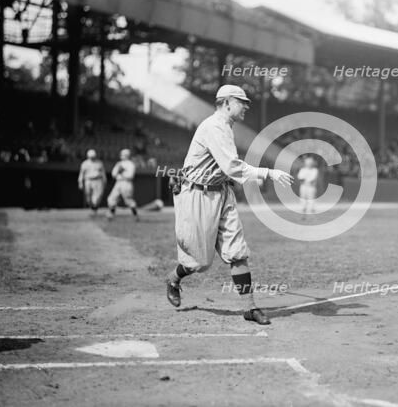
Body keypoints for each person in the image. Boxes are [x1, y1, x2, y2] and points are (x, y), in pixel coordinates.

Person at [165, 85, 293, 325]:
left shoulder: (226, 126)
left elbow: (228, 170)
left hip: (221, 193)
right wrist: (269, 173)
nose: (246, 106)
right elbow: (233, 167)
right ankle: (173, 278)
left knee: (237, 252)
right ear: (226, 103)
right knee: (199, 262)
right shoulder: (214, 126)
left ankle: (250, 308)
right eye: (241, 102)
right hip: (197, 194)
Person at [106, 148, 139, 221]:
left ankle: (135, 215)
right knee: (111, 198)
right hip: (118, 183)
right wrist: (118, 172)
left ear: (127, 155)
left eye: (123, 155)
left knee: (128, 201)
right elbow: (113, 174)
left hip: (126, 183)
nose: (121, 156)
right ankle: (111, 215)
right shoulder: (119, 163)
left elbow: (130, 176)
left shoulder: (130, 164)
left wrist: (122, 172)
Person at [78, 149, 107, 215]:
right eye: (91, 157)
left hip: (98, 180)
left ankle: (95, 207)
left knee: (98, 195)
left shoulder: (99, 163)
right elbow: (81, 174)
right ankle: (92, 207)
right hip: (88, 180)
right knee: (88, 196)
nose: (92, 158)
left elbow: (103, 173)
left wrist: (105, 180)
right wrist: (80, 182)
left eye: (93, 156)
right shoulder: (85, 163)